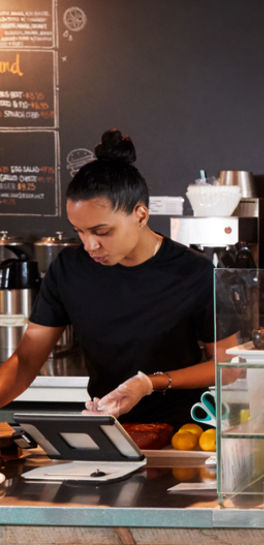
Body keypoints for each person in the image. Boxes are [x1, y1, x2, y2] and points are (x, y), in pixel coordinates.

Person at [0, 130, 238, 424]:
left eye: (102, 232)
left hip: (182, 434)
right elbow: (24, 363)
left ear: (140, 215)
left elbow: (228, 366)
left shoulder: (193, 273)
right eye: (80, 231)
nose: (90, 245)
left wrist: (149, 383)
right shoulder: (69, 270)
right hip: (107, 429)